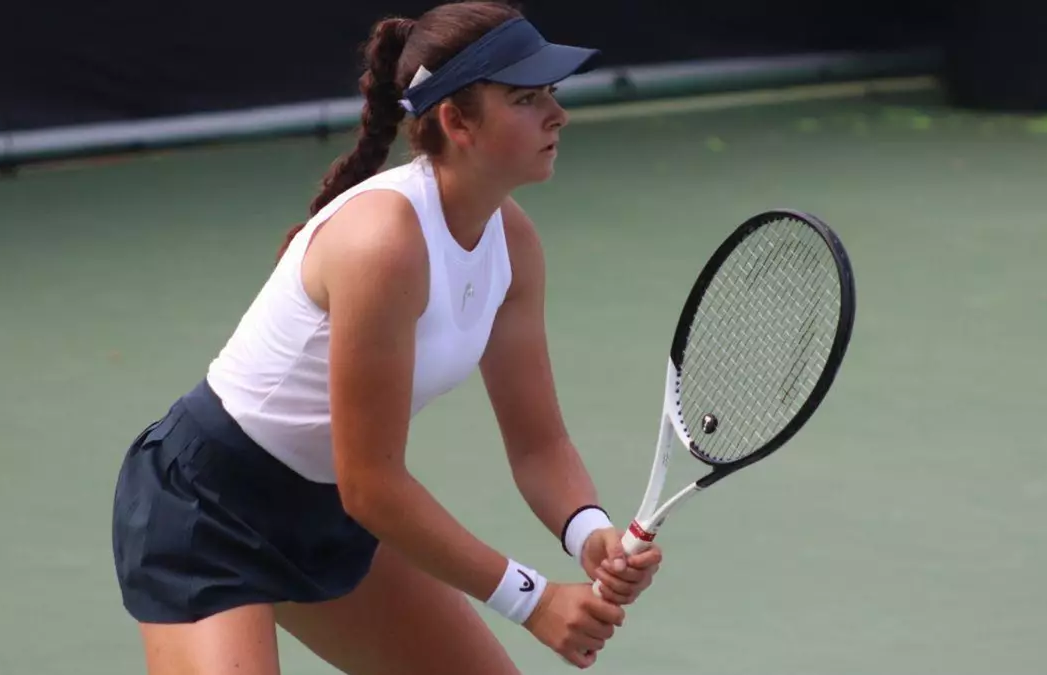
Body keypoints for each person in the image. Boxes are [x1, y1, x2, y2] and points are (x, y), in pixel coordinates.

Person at [110, 2, 663, 673]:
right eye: (526, 98)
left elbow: (539, 444)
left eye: (551, 92)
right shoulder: (383, 243)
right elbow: (370, 484)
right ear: (457, 122)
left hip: (327, 509)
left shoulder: (512, 241)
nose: (557, 114)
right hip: (207, 510)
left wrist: (589, 532)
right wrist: (532, 598)